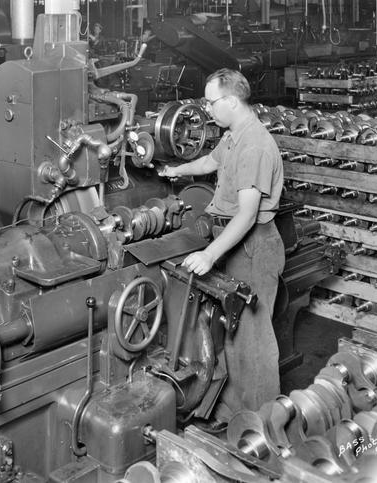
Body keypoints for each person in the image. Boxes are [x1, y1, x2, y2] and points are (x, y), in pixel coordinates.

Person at [159, 68, 285, 428]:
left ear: (231, 100)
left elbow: (246, 216)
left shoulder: (255, 146)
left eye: (212, 102)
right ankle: (232, 417)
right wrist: (175, 171)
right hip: (230, 242)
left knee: (254, 343)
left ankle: (262, 429)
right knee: (229, 332)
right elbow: (211, 163)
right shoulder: (233, 136)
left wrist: (209, 254)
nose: (207, 110)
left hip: (252, 246)